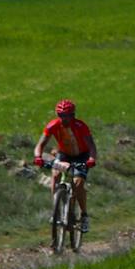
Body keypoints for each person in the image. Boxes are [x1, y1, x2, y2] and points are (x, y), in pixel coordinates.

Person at [34, 99, 98, 232]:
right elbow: (40, 145)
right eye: (61, 116)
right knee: (55, 174)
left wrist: (91, 159)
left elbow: (92, 146)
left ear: (73, 115)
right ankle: (56, 209)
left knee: (78, 183)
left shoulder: (81, 126)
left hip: (82, 155)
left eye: (67, 115)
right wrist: (38, 157)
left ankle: (84, 215)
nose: (64, 119)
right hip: (64, 154)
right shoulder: (52, 126)